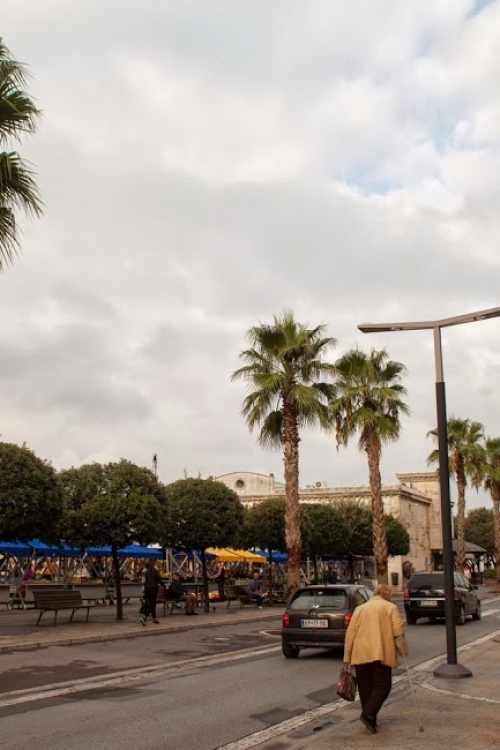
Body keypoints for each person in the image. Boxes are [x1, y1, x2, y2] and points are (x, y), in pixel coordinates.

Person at [343, 583, 405, 734]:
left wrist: (347, 656)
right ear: (387, 594)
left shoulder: (360, 609)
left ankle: (370, 718)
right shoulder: (390, 608)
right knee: (383, 685)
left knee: (366, 687)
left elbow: (350, 634)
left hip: (360, 652)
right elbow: (398, 632)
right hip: (380, 653)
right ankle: (368, 714)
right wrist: (402, 650)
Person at [140, 560, 165, 626]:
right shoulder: (156, 571)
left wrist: (145, 591)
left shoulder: (147, 571)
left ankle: (154, 618)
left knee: (151, 604)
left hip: (148, 589)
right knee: (152, 604)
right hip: (154, 589)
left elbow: (145, 582)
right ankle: (144, 617)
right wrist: (164, 585)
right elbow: (159, 580)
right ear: (154, 564)